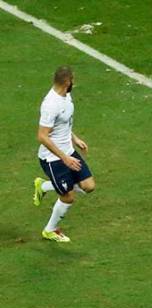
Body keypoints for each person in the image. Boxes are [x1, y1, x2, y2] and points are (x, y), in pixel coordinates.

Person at [33, 66, 95, 243]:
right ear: (67, 82)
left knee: (89, 186)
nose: (74, 83)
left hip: (68, 150)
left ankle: (43, 187)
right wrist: (64, 158)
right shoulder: (50, 105)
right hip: (52, 159)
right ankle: (50, 230)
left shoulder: (66, 96)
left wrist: (75, 139)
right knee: (68, 197)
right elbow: (42, 136)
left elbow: (64, 123)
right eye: (73, 80)